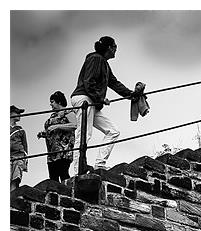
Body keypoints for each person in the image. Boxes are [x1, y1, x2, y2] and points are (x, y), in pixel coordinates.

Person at [70, 36, 136, 174]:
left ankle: (99, 165)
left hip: (92, 101)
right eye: (115, 46)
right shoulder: (95, 58)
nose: (116, 49)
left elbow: (114, 83)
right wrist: (101, 98)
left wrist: (131, 95)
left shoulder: (104, 63)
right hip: (84, 99)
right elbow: (89, 82)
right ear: (109, 48)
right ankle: (77, 172)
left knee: (113, 131)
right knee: (83, 134)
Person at [37, 91, 77, 183]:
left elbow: (74, 125)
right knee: (53, 177)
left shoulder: (68, 112)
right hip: (52, 152)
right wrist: (44, 133)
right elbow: (52, 131)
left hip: (64, 151)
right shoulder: (53, 115)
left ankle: (67, 193)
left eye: (52, 101)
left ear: (59, 102)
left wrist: (57, 126)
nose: (50, 104)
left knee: (63, 174)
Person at [10, 105, 28, 191]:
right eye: (17, 112)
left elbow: (25, 146)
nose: (19, 115)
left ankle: (13, 198)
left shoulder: (21, 130)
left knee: (16, 179)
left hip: (19, 156)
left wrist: (25, 159)